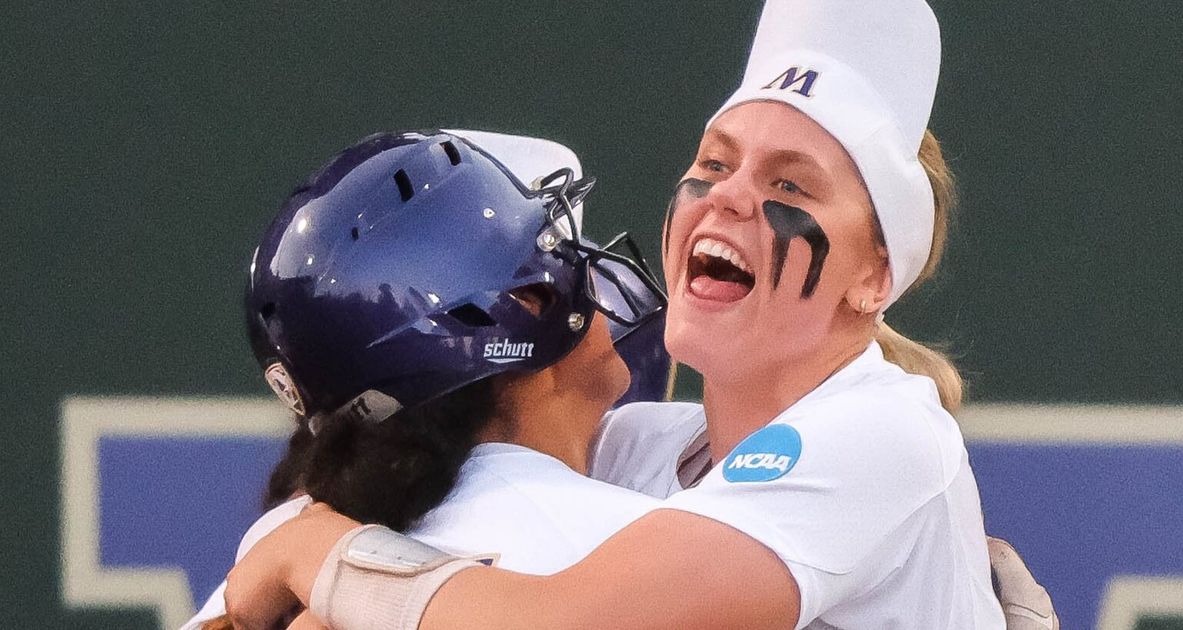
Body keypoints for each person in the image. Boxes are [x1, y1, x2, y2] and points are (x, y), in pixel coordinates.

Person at [222, 0, 1018, 628]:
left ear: (876, 276)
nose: (731, 195)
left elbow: (575, 621)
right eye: (714, 162)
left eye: (791, 187)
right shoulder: (635, 451)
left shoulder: (883, 433)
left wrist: (315, 548)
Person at [181, 128, 670, 629]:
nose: (579, 266)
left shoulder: (276, 551)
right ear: (527, 305)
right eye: (551, 247)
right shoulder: (639, 548)